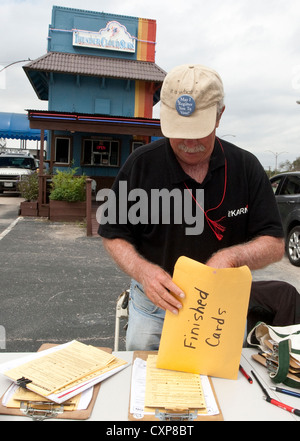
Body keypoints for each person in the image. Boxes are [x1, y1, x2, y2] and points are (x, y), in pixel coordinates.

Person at [98, 64, 285, 350]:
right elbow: (113, 234)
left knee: (220, 389)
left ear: (220, 115)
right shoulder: (140, 165)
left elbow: (273, 243)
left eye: (198, 131)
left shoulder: (246, 168)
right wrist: (144, 272)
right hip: (153, 308)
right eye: (180, 130)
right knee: (147, 385)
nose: (188, 143)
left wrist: (233, 256)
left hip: (220, 311)